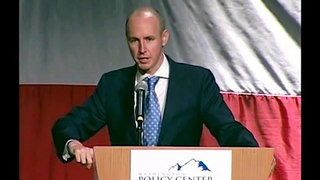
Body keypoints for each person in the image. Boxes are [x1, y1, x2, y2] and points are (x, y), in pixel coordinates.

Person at [51, 5, 259, 169]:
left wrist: (254, 156)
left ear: (164, 38)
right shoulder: (113, 85)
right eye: (134, 40)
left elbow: (226, 128)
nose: (142, 49)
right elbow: (69, 125)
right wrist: (73, 144)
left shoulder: (196, 81)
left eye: (149, 39)